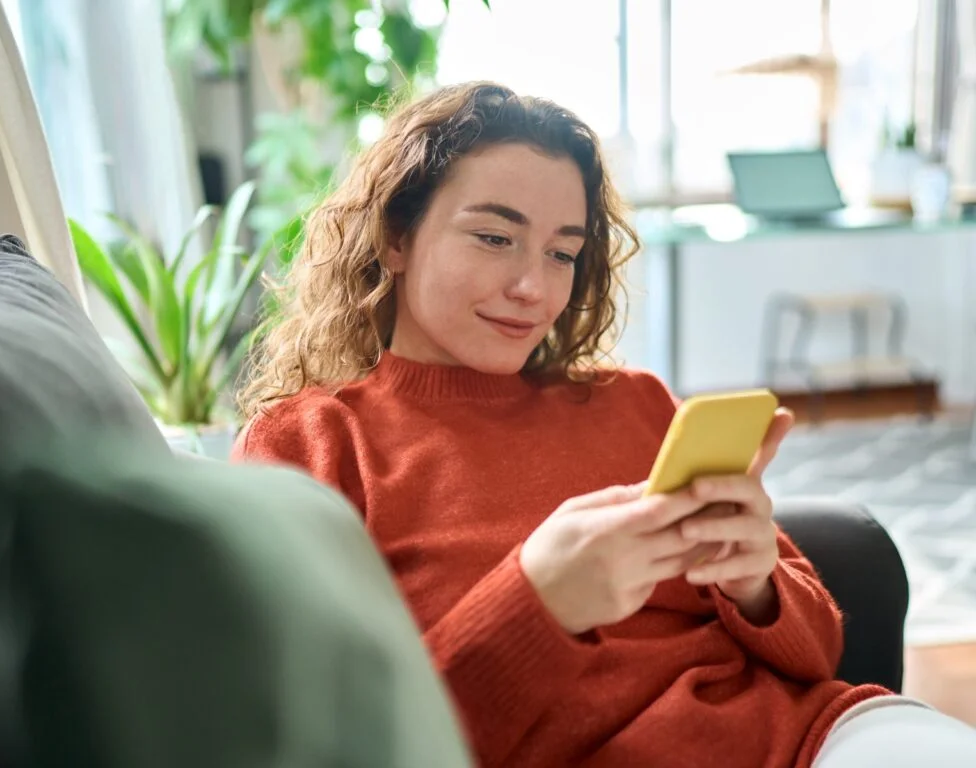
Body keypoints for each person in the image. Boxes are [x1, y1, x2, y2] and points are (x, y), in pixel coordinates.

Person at [231, 82, 976, 767]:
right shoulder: (309, 448)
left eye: (563, 252)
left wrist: (757, 584)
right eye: (495, 237)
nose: (532, 287)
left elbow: (822, 655)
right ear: (397, 236)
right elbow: (340, 748)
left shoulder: (636, 403)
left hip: (816, 740)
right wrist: (536, 604)